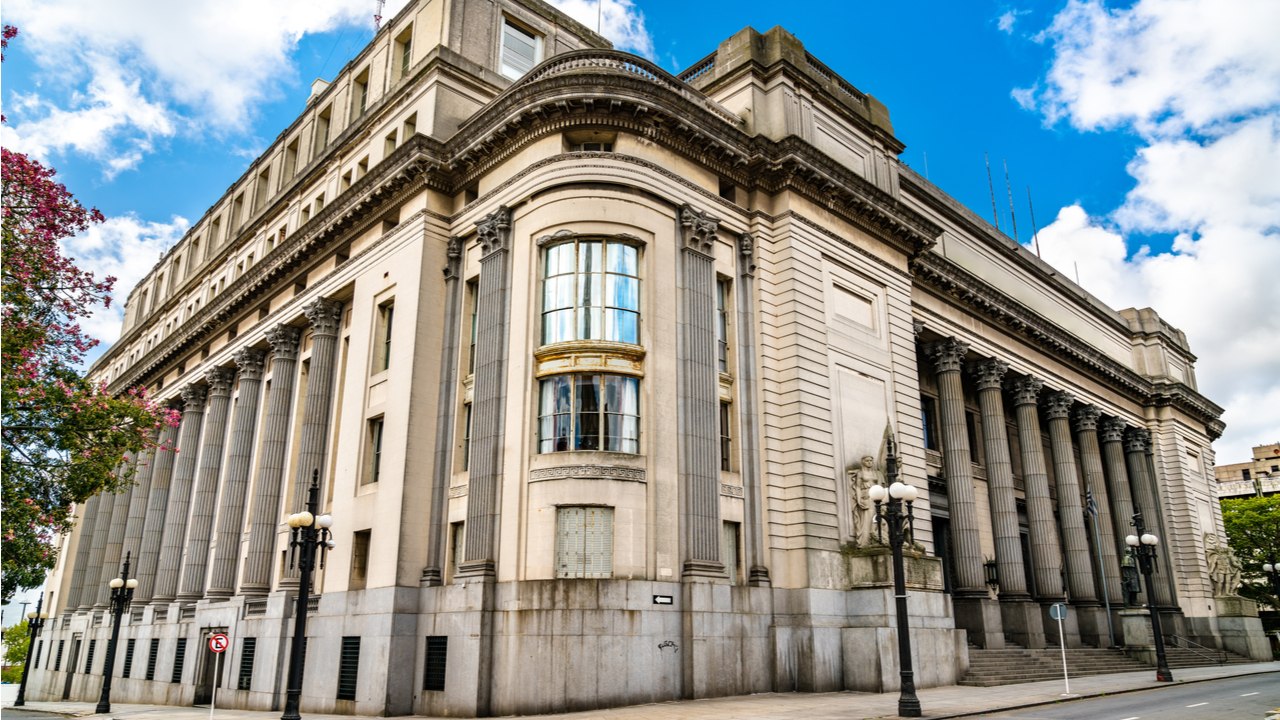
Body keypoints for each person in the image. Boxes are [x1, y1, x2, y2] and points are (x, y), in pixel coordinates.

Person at [849, 456, 882, 545]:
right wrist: (859, 499)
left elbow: (879, 486)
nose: (869, 462)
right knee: (867, 519)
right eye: (867, 461)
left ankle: (876, 538)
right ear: (863, 462)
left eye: (871, 460)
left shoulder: (876, 473)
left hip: (876, 498)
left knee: (876, 518)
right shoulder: (861, 473)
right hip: (866, 497)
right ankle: (865, 541)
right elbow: (858, 487)